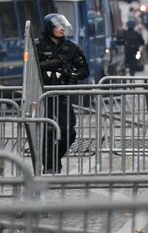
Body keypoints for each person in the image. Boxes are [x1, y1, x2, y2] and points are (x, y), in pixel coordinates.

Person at [36, 13, 89, 174]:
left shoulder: (71, 47)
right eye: (57, 26)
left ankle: (55, 158)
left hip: (63, 95)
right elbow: (30, 65)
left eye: (62, 26)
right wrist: (48, 64)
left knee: (69, 132)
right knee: (48, 131)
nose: (61, 29)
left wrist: (73, 75)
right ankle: (49, 166)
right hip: (44, 95)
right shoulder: (37, 46)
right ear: (49, 28)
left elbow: (84, 70)